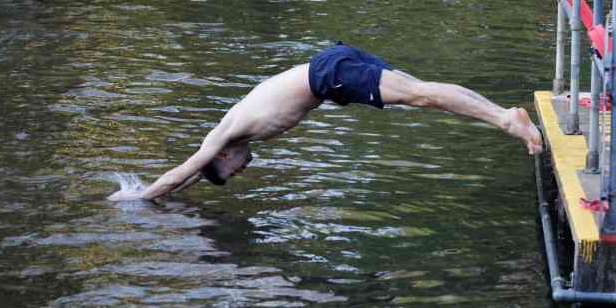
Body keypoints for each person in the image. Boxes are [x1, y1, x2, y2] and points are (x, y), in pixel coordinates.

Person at [108, 44, 544, 201]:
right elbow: (191, 179)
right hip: (330, 64)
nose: (242, 170)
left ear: (221, 155)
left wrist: (139, 197)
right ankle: (505, 114)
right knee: (420, 94)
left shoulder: (221, 137)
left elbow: (183, 172)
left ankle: (505, 119)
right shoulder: (226, 135)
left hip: (327, 76)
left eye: (232, 170)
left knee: (420, 95)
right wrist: (174, 196)